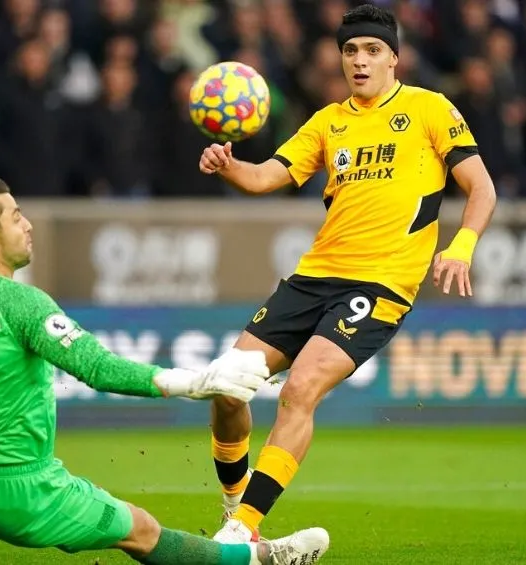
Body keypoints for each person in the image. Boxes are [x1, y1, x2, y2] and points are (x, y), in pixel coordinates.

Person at [0, 178, 330, 565]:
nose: (28, 223)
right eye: (15, 216)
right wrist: (192, 382)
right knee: (143, 531)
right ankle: (256, 558)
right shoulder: (21, 302)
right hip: (22, 488)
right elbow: (96, 367)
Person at [198, 4, 498, 543]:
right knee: (228, 389)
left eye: (372, 50)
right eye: (350, 51)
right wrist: (229, 166)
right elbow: (268, 175)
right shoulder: (328, 122)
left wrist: (462, 246)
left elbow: (482, 187)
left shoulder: (429, 109)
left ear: (394, 59)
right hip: (313, 277)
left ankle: (242, 531)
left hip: (378, 284)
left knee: (300, 389)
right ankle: (232, 506)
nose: (359, 61)